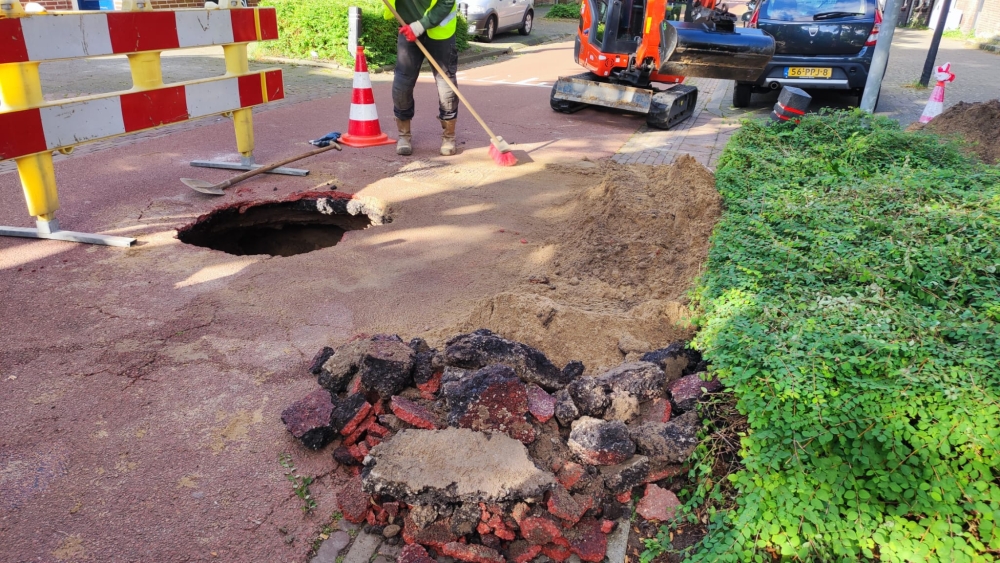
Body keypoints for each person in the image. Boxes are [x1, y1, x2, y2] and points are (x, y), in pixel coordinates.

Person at [383, 0, 459, 156]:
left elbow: (447, 2)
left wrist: (421, 25)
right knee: (402, 84)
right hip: (408, 26)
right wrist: (414, 27)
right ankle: (404, 135)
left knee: (446, 85)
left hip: (440, 31)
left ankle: (449, 136)